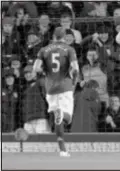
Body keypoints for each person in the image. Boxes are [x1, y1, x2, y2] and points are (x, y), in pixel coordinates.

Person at [32, 27, 79, 157]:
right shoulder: (69, 49)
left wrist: (46, 72)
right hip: (65, 86)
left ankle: (62, 149)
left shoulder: (43, 50)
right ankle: (61, 116)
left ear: (53, 36)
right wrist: (74, 81)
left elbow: (36, 68)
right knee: (67, 118)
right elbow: (75, 69)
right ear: (64, 36)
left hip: (50, 88)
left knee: (57, 117)